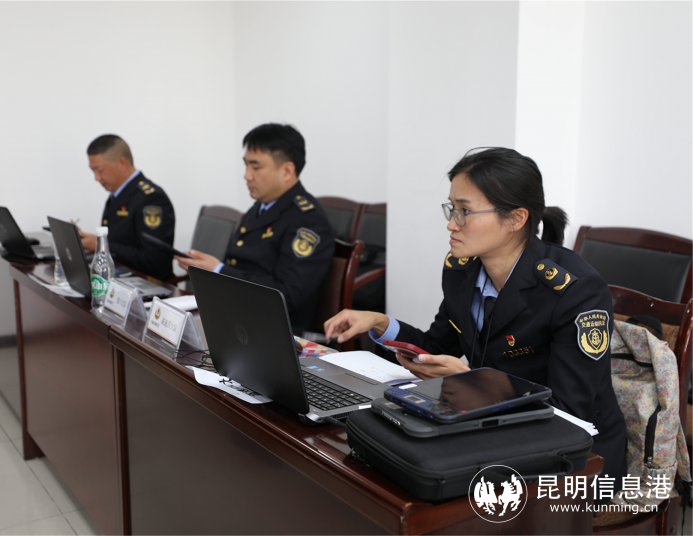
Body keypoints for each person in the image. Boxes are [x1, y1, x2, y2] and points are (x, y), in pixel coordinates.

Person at [324, 147, 627, 499]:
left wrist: (471, 382)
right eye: (451, 208)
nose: (451, 223)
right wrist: (381, 323)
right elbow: (437, 348)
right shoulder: (463, 271)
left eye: (465, 211)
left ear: (515, 219)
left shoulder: (575, 291)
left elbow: (567, 411)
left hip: (575, 459)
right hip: (489, 433)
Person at [176, 124, 334, 334]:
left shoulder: (307, 220)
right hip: (238, 316)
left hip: (273, 331)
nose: (247, 175)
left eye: (256, 167)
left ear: (287, 171)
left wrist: (219, 271)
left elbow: (287, 296)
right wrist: (210, 272)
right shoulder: (261, 207)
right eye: (246, 165)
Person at [81, 135, 175, 281]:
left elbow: (152, 260)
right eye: (93, 171)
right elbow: (119, 239)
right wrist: (90, 241)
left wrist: (102, 246)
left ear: (122, 163)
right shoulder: (118, 193)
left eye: (99, 170)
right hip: (120, 279)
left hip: (148, 285)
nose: (96, 178)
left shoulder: (151, 198)